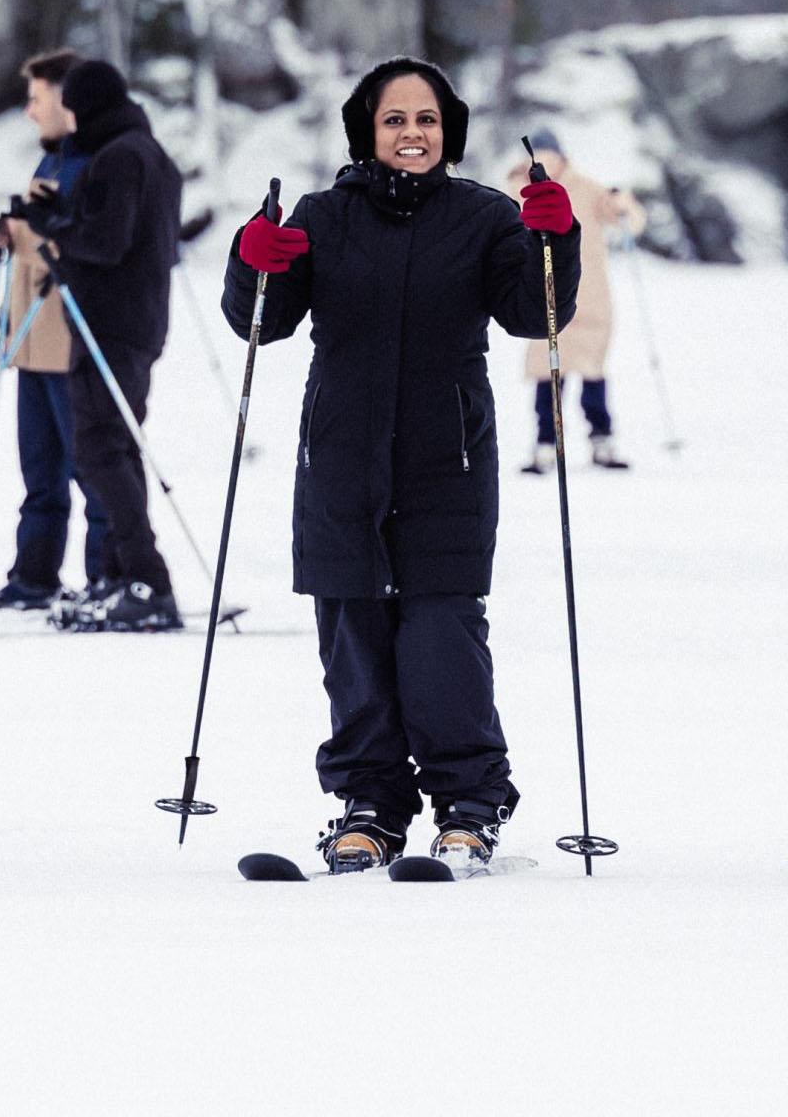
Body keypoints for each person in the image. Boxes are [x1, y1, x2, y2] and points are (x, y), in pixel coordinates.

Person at [223, 59, 577, 876]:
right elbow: (261, 324)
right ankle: (370, 806)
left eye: (426, 119)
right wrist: (255, 262)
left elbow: (537, 315)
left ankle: (469, 808)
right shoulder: (322, 216)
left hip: (445, 466)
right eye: (394, 120)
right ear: (367, 131)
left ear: (448, 129)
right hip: (341, 463)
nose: (412, 133)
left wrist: (555, 240)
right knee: (353, 637)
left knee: (440, 638)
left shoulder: (485, 218)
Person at [13, 56, 186, 632]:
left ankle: (146, 580)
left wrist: (51, 227)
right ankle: (118, 579)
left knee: (101, 451)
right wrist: (59, 214)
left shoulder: (120, 158)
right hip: (134, 321)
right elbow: (122, 231)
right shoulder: (150, 154)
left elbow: (105, 243)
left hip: (111, 325)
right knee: (113, 447)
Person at [0, 50, 122, 615]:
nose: (30, 112)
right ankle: (34, 577)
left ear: (65, 99)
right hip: (30, 341)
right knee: (40, 472)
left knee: (89, 470)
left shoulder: (97, 161)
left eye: (37, 99)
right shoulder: (53, 161)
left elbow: (84, 240)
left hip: (70, 338)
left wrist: (32, 231)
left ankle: (106, 578)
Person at [499, 130, 643, 471]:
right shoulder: (519, 189)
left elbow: (626, 220)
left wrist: (622, 204)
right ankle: (556, 442)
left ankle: (588, 440)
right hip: (542, 295)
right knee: (551, 374)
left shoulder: (586, 187)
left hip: (588, 298)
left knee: (586, 372)